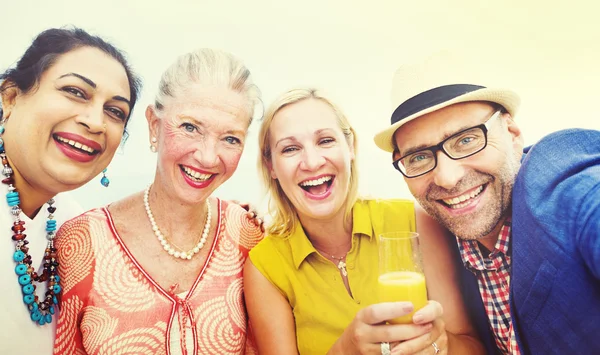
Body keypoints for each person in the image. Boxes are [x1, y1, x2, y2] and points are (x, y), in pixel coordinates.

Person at [373, 50, 600, 354]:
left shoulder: (565, 191)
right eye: (419, 157)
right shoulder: (440, 241)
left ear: (512, 133)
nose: (447, 178)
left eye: (467, 139)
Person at [53, 48, 263, 355]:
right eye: (190, 127)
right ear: (154, 125)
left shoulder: (250, 235)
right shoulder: (81, 241)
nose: (207, 156)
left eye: (230, 138)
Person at [244, 88, 485, 355]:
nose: (312, 162)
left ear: (350, 148)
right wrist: (345, 351)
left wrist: (441, 342)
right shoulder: (265, 267)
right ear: (271, 167)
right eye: (290, 149)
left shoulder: (416, 222)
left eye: (325, 141)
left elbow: (474, 347)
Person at [0, 27, 142, 354]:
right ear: (10, 96)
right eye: (75, 91)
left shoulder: (74, 227)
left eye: (115, 111)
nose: (96, 122)